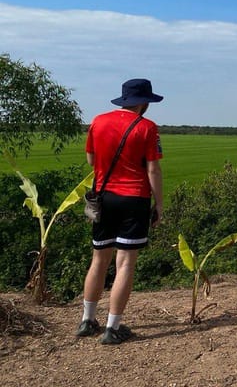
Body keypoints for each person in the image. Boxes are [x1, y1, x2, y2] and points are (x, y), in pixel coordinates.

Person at [76, 78, 164, 344]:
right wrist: (158, 204)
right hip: (134, 199)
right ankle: (112, 328)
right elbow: (152, 169)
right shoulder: (147, 127)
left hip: (102, 198)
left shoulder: (98, 121)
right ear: (143, 102)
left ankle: (87, 320)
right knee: (124, 263)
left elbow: (91, 160)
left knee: (98, 259)